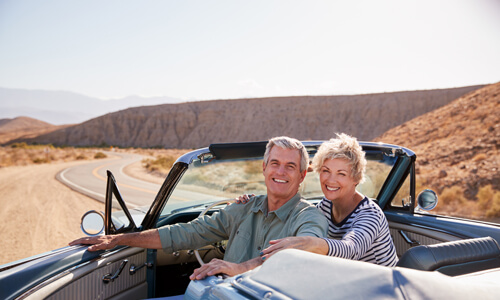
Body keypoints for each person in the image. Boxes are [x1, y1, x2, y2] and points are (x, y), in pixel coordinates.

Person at [69, 136, 328, 280]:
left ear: (303, 175)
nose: (280, 171)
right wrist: (120, 239)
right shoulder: (243, 209)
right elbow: (188, 233)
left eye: (290, 166)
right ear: (264, 168)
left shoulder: (308, 216)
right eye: (275, 163)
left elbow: (305, 249)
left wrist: (239, 267)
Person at [238, 133, 398, 267]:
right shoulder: (325, 206)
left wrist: (310, 243)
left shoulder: (370, 215)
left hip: (383, 289)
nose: (331, 180)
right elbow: (294, 212)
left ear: (355, 178)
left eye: (341, 174)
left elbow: (351, 249)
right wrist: (255, 203)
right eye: (326, 171)